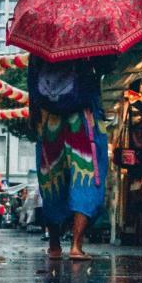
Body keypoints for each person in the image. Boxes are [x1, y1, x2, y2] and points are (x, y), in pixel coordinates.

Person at [28, 55, 112, 261]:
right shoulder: (89, 46)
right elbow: (106, 68)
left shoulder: (40, 49)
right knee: (87, 179)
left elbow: (33, 86)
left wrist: (33, 116)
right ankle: (76, 245)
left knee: (52, 182)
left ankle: (54, 245)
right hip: (83, 122)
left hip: (50, 123)